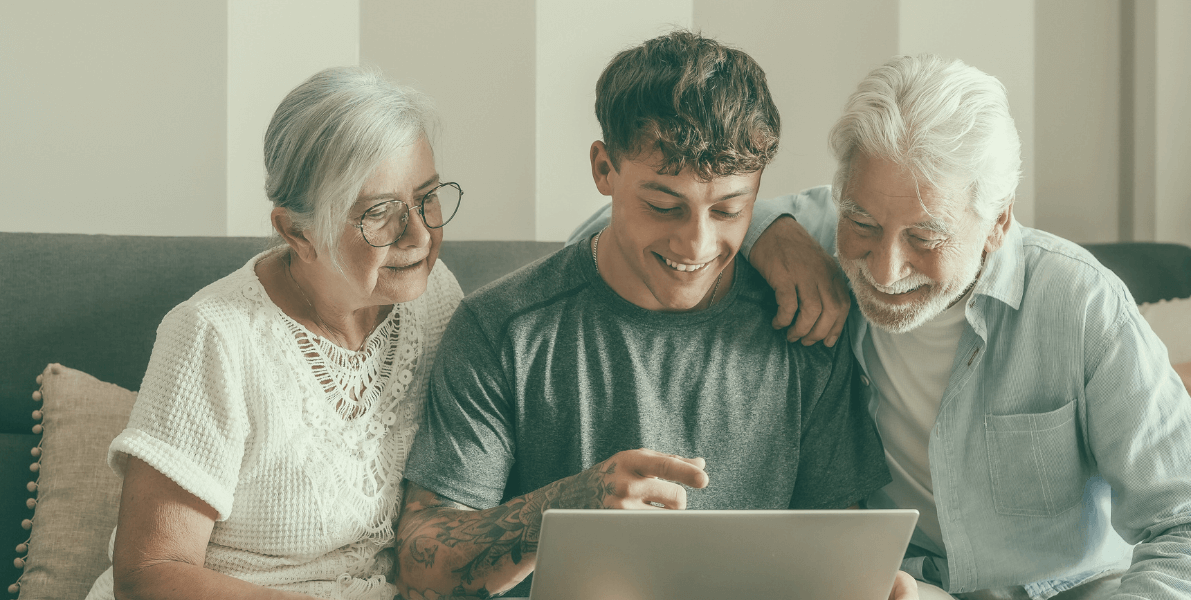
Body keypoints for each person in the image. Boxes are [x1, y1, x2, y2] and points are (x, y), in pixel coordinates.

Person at [580, 53, 1191, 600]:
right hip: (896, 587)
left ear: (999, 222)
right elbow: (597, 239)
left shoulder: (1081, 303)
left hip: (1067, 591)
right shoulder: (814, 234)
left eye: (926, 237)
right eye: (863, 223)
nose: (884, 266)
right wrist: (769, 231)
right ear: (840, 195)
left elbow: (1183, 521)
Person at [394, 30, 896, 600]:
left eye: (730, 209)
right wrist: (566, 508)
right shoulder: (502, 328)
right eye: (664, 206)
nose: (697, 244)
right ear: (604, 169)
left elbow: (844, 559)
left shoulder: (803, 329)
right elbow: (418, 565)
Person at [84, 66, 465, 600]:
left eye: (428, 197)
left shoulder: (435, 297)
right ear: (297, 230)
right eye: (380, 214)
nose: (421, 234)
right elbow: (149, 574)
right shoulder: (212, 336)